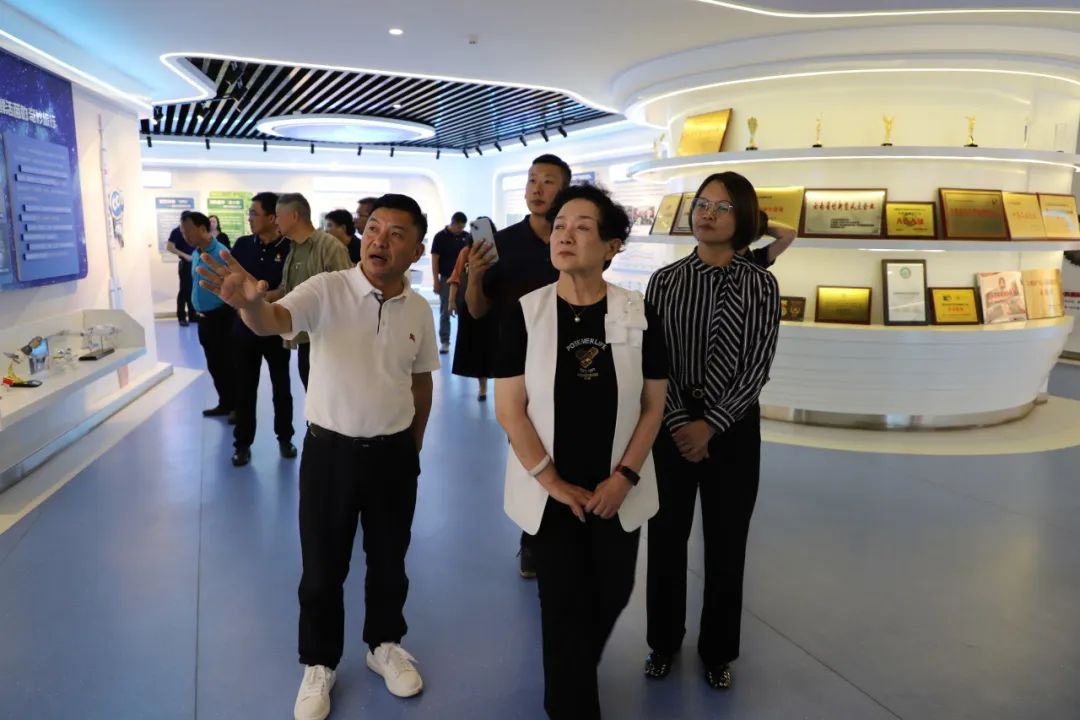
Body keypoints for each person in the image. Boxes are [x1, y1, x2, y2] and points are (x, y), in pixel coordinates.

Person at [196, 194, 437, 720]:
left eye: (397, 234)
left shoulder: (419, 309)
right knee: (323, 568)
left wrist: (413, 446)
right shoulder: (328, 289)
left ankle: (384, 645)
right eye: (375, 228)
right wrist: (249, 304)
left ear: (417, 250)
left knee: (390, 559)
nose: (380, 240)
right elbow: (273, 319)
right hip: (331, 453)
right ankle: (320, 661)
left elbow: (421, 381)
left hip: (394, 455)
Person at [495, 184, 667, 719]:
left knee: (614, 590)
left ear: (612, 246)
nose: (565, 235)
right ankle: (570, 704)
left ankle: (570, 674)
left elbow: (653, 407)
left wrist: (624, 477)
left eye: (583, 227)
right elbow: (511, 410)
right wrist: (551, 480)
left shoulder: (638, 312)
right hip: (552, 494)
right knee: (563, 605)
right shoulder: (525, 313)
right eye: (560, 225)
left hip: (618, 489)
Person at [643, 171, 780, 691]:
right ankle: (662, 643)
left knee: (727, 545)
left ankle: (718, 651)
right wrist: (682, 423)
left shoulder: (761, 284)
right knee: (666, 541)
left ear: (742, 218)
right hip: (672, 426)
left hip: (734, 429)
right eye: (703, 204)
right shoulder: (666, 281)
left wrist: (712, 425)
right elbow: (656, 362)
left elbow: (757, 366)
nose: (708, 214)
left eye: (722, 208)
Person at [465, 153, 571, 579]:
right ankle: (531, 540)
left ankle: (567, 533)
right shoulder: (502, 243)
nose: (537, 189)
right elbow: (476, 311)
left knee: (571, 449)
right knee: (527, 452)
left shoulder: (573, 239)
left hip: (570, 360)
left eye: (547, 181)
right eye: (531, 180)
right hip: (519, 367)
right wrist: (475, 275)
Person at [228, 192, 295, 467]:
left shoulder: (290, 248)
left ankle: (285, 438)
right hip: (244, 331)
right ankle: (242, 444)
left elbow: (292, 288)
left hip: (276, 330)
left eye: (254, 213)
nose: (250, 218)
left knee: (282, 387)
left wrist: (262, 299)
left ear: (272, 217)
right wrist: (243, 304)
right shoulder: (243, 245)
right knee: (244, 389)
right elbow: (230, 283)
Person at [270, 193, 352, 390]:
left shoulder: (330, 247)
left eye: (278, 216)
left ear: (294, 216)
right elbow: (288, 289)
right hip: (306, 339)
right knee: (312, 394)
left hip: (328, 342)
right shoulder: (294, 249)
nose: (275, 222)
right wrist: (262, 298)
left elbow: (347, 295)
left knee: (329, 397)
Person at [183, 211, 236, 418]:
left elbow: (233, 287)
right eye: (183, 231)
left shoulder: (221, 253)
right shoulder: (197, 253)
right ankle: (225, 403)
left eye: (188, 231)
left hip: (221, 317)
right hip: (203, 319)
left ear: (203, 229)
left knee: (228, 364)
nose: (185, 235)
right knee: (214, 364)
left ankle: (237, 408)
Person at [447, 235, 496, 400]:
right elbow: (456, 277)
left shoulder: (496, 252)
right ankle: (482, 387)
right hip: (469, 303)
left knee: (493, 346)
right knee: (475, 345)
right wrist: (451, 300)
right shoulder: (466, 252)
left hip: (493, 305)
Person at [430, 211, 469, 353]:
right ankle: (445, 342)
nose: (461, 230)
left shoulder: (466, 237)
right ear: (453, 223)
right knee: (445, 311)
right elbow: (435, 260)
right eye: (459, 227)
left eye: (463, 227)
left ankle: (463, 343)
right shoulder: (440, 237)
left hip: (463, 279)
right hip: (446, 279)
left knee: (464, 311)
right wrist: (436, 280)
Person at [166, 224, 196, 326]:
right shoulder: (177, 231)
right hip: (185, 264)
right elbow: (169, 247)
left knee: (191, 290)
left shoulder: (192, 230)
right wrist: (185, 256)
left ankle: (192, 315)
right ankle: (181, 317)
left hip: (194, 263)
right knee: (184, 291)